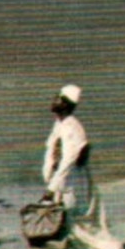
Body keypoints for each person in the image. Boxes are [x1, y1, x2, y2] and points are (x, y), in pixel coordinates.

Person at [42, 84, 91, 215]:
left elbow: (68, 161)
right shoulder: (59, 124)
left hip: (70, 187)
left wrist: (51, 189)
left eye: (58, 99)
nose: (53, 102)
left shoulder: (71, 127)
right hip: (61, 186)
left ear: (65, 105)